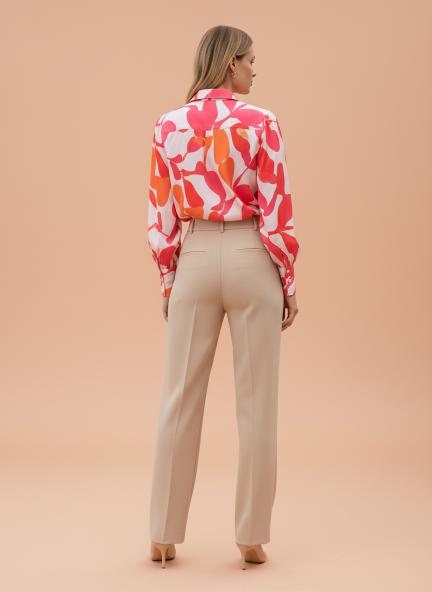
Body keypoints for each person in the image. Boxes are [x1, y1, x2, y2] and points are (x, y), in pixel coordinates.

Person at [147, 24, 300, 569]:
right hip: (251, 255)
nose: (255, 70)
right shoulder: (262, 122)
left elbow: (161, 210)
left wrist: (169, 279)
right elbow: (277, 206)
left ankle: (162, 536)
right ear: (231, 62)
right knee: (257, 405)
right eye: (251, 60)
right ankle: (251, 537)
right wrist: (287, 279)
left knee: (179, 399)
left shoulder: (168, 124)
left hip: (193, 256)